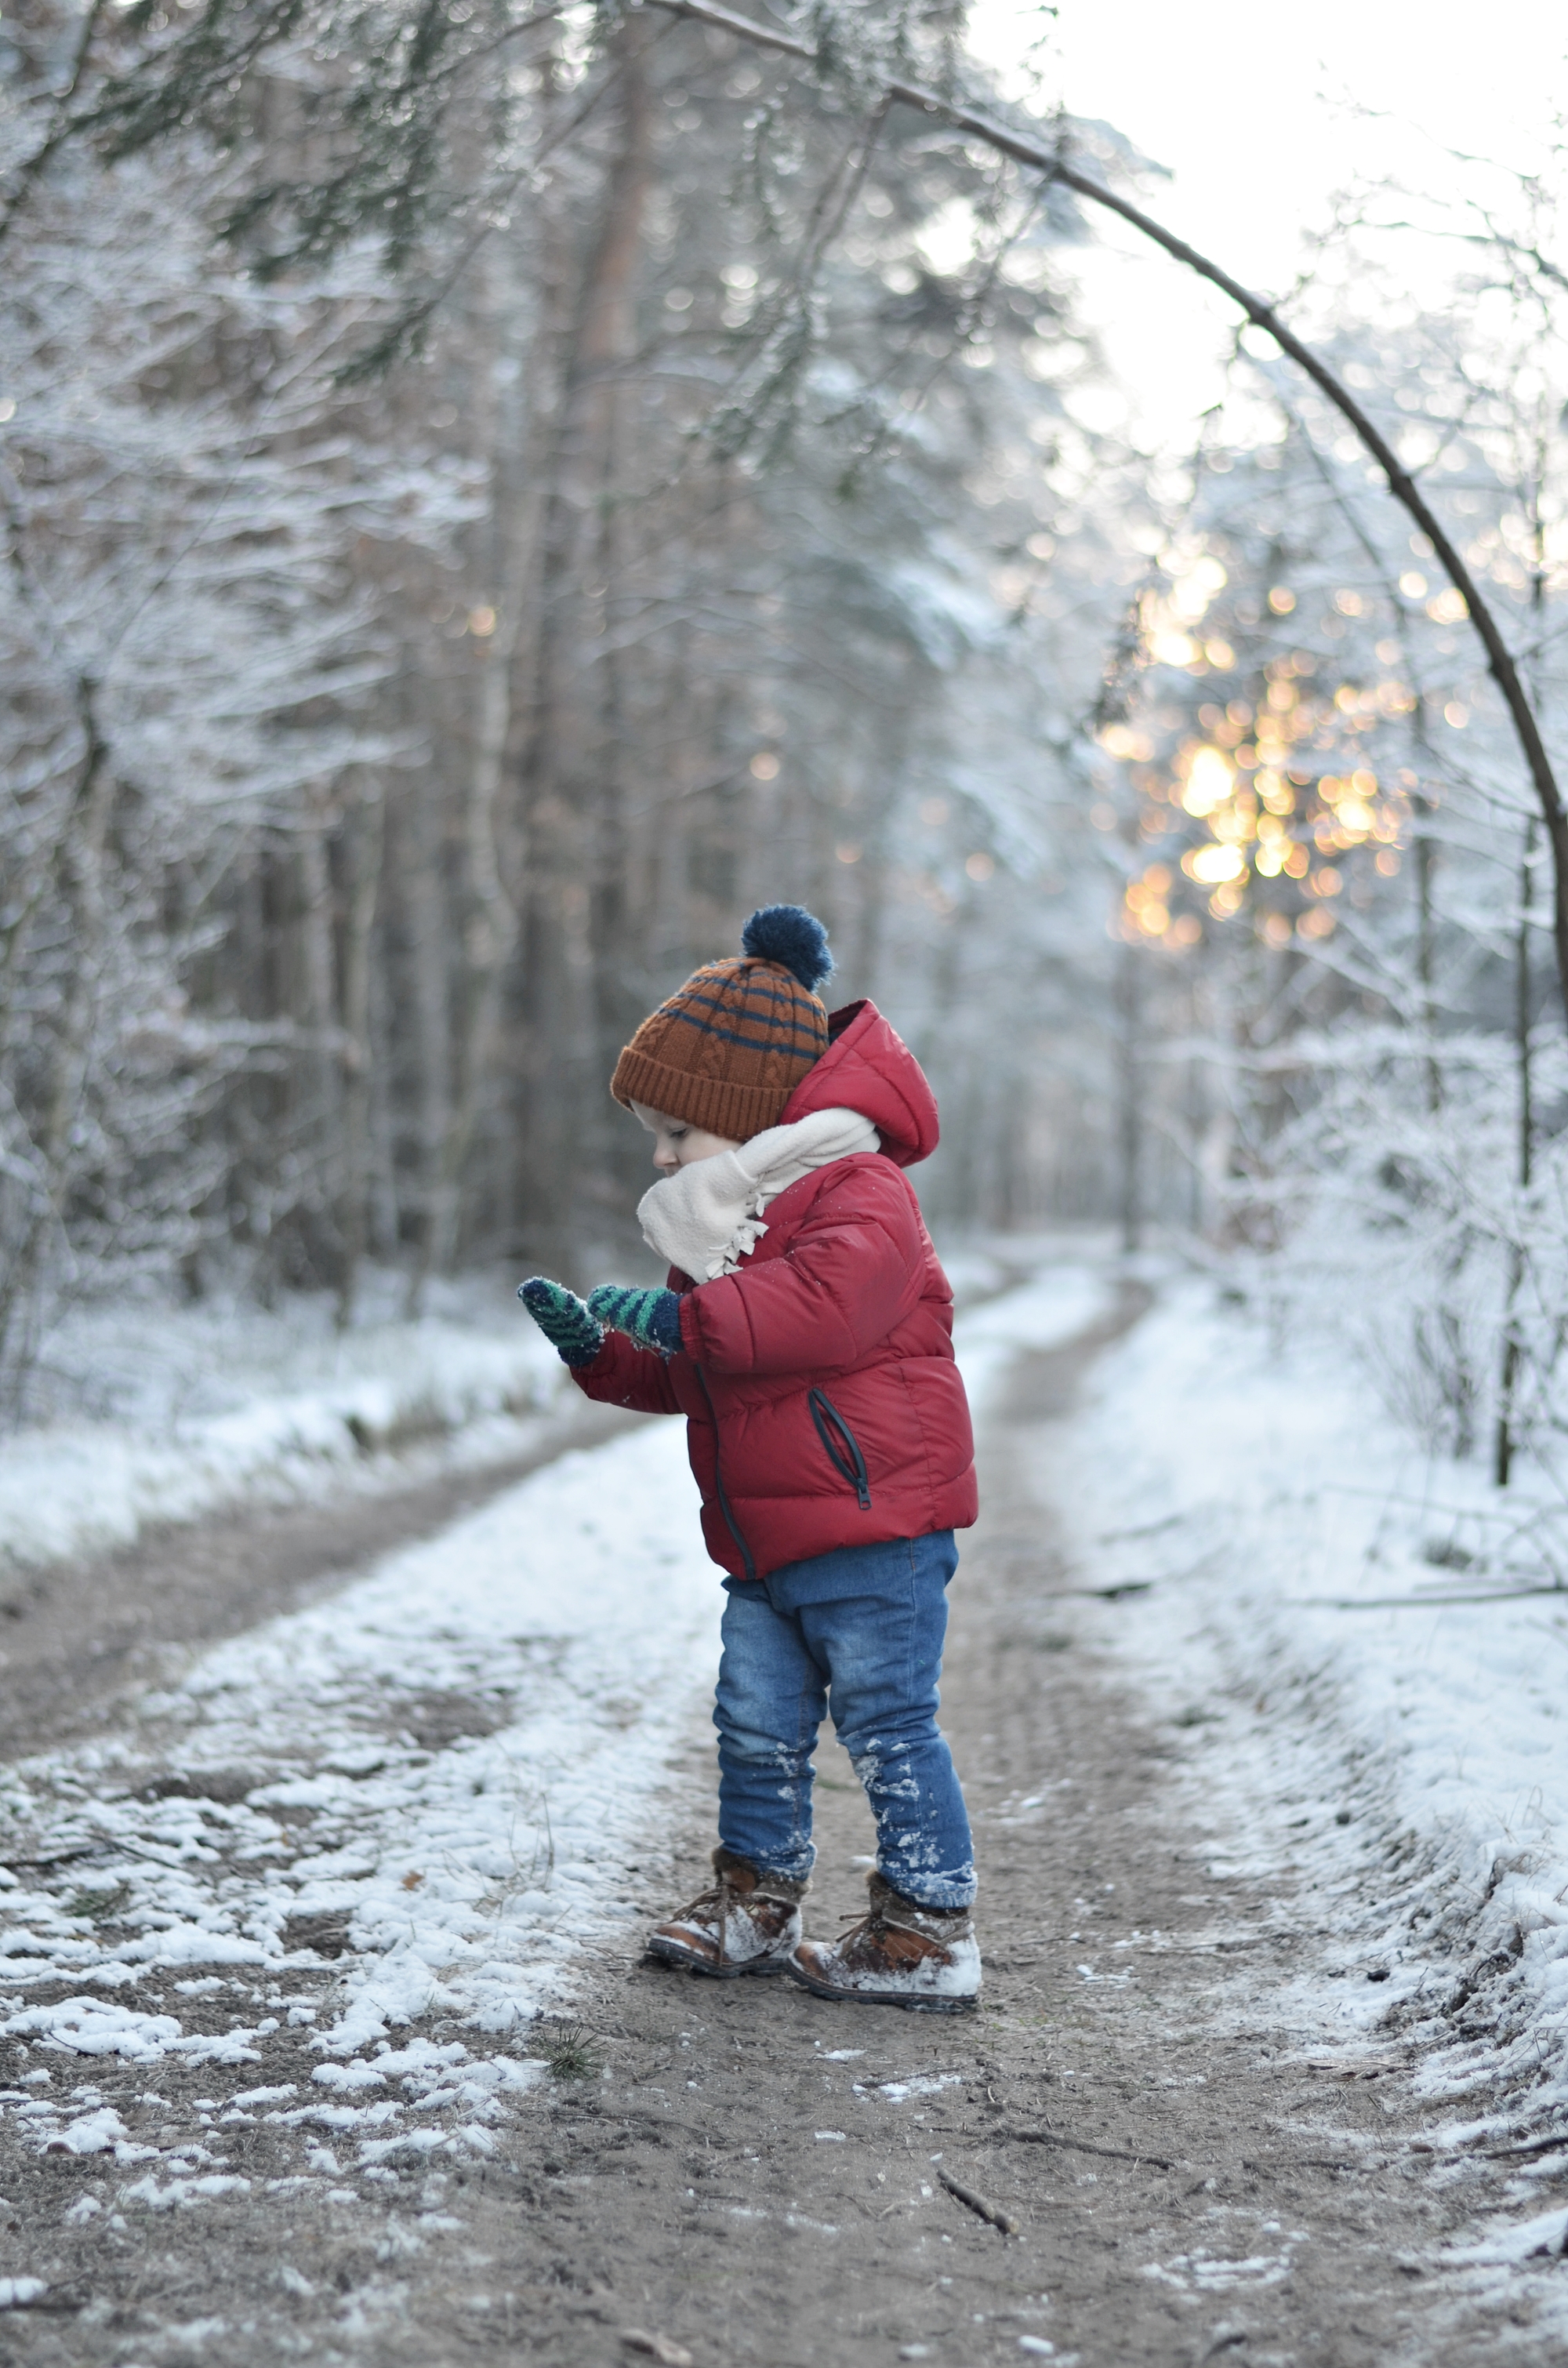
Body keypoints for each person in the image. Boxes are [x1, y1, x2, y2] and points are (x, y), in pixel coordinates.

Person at [517, 903, 981, 2012]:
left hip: (876, 1532)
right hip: (765, 1544)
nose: (666, 1156)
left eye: (679, 1130)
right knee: (755, 1726)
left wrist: (689, 1318)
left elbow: (816, 1316)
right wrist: (612, 1357)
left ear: (748, 1112)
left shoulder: (858, 1192)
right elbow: (706, 1370)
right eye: (655, 1136)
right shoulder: (725, 1225)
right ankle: (756, 1903)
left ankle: (927, 1927)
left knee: (885, 1725)